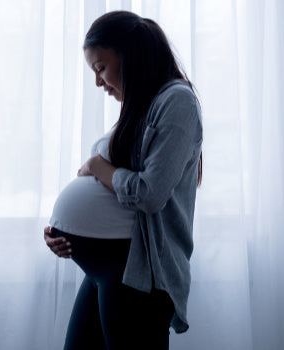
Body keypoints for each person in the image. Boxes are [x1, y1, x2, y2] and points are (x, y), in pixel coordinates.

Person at [44, 10, 203, 350]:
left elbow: (150, 193)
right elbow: (106, 181)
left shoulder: (177, 101)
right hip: (105, 268)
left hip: (138, 272)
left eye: (100, 67)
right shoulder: (140, 106)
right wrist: (60, 229)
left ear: (129, 54)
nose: (98, 82)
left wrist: (97, 168)